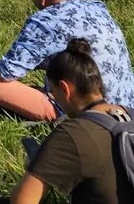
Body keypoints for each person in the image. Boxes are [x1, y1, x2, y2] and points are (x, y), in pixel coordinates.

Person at [0, 0, 134, 122]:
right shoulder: (97, 7)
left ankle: (63, 116)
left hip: (91, 112)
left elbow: (6, 72)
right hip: (126, 103)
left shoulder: (44, 22)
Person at [9, 38, 134, 203]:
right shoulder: (130, 114)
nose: (53, 97)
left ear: (65, 89)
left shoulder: (71, 134)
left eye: (52, 91)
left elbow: (22, 200)